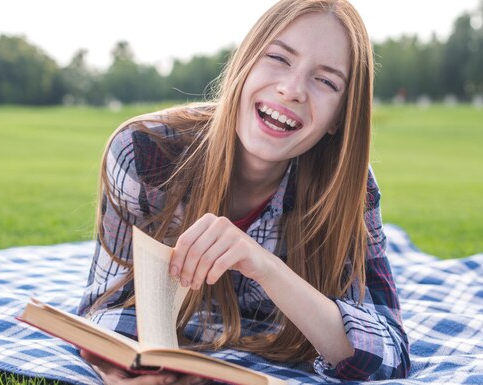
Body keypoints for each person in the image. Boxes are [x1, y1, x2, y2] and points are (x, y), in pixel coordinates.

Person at [77, 0, 411, 383]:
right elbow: (105, 305)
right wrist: (124, 368)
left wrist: (264, 266)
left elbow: (390, 351)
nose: (291, 90)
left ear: (340, 116)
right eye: (278, 58)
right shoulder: (145, 151)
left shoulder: (347, 186)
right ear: (245, 63)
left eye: (326, 81)